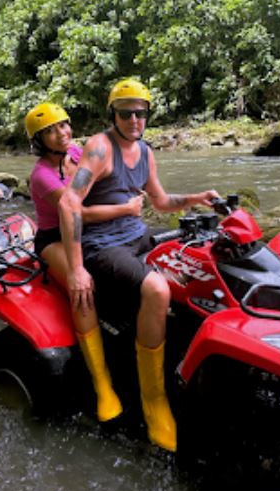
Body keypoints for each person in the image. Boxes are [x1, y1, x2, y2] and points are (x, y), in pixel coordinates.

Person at [58, 79, 219, 452]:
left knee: (201, 263)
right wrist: (77, 268)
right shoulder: (100, 148)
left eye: (140, 112)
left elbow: (161, 201)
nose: (134, 119)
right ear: (113, 114)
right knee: (157, 287)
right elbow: (69, 203)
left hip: (137, 235)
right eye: (126, 112)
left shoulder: (146, 152)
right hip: (102, 245)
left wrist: (197, 197)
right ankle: (153, 400)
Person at [25, 102, 144, 423]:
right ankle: (102, 380)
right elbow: (78, 210)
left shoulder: (77, 153)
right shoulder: (41, 176)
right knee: (84, 288)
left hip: (93, 230)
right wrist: (126, 209)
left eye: (63, 125)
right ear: (38, 140)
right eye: (50, 131)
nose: (61, 133)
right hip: (54, 238)